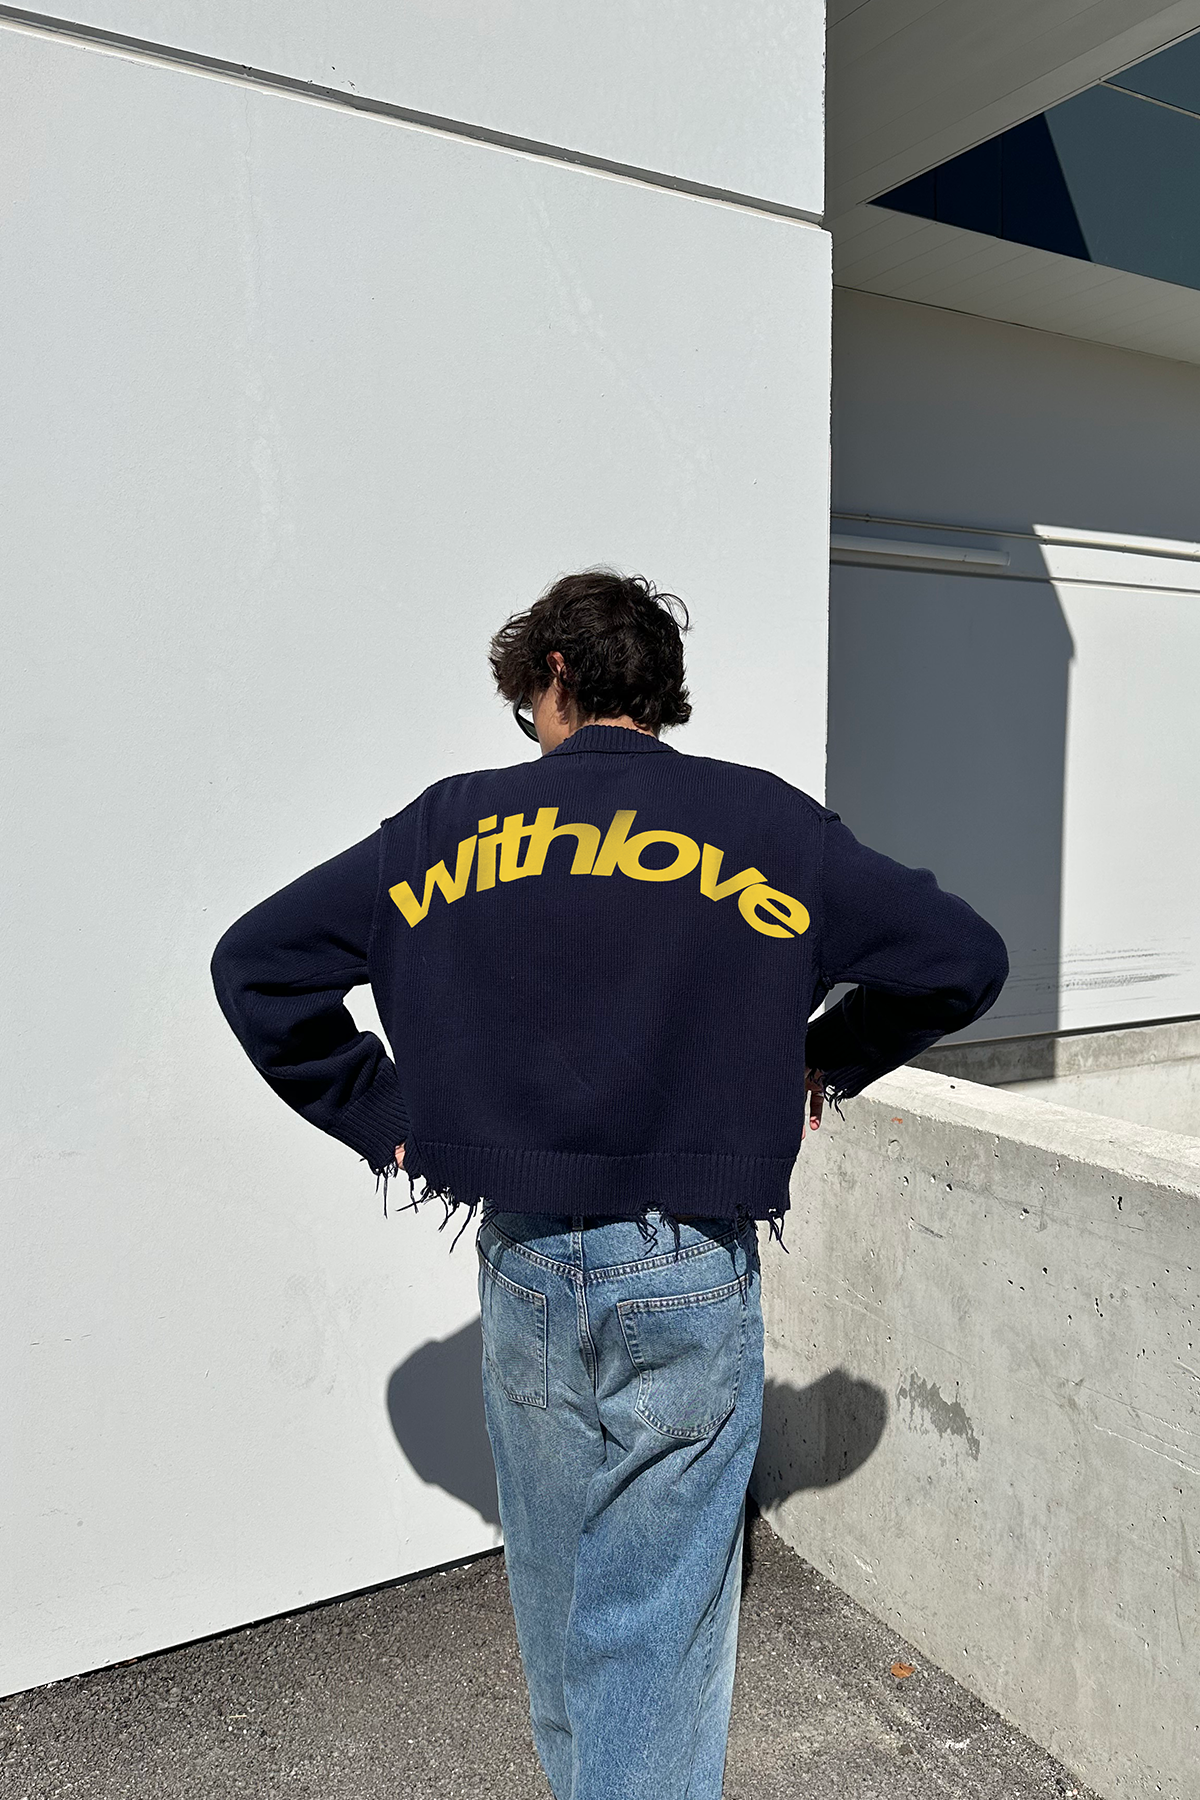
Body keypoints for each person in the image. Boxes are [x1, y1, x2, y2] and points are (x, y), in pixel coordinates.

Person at [210, 569, 1007, 1800]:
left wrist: (386, 1116)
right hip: (685, 1263)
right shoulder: (763, 825)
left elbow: (256, 964)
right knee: (653, 1622)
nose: (529, 732)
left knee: (559, 1590)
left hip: (525, 1260)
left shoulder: (447, 828)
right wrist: (828, 1053)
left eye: (526, 706)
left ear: (557, 679)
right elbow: (962, 957)